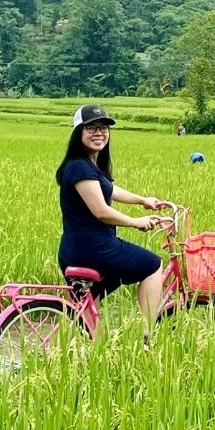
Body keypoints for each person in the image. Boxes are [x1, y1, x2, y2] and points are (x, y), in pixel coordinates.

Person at [57, 104, 169, 348]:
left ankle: (79, 351)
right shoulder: (79, 166)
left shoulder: (89, 165)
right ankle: (148, 336)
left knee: (88, 310)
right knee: (153, 264)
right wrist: (135, 222)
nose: (99, 133)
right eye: (91, 128)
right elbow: (101, 211)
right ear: (78, 132)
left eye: (104, 128)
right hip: (94, 249)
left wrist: (143, 200)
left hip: (77, 248)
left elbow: (109, 189)